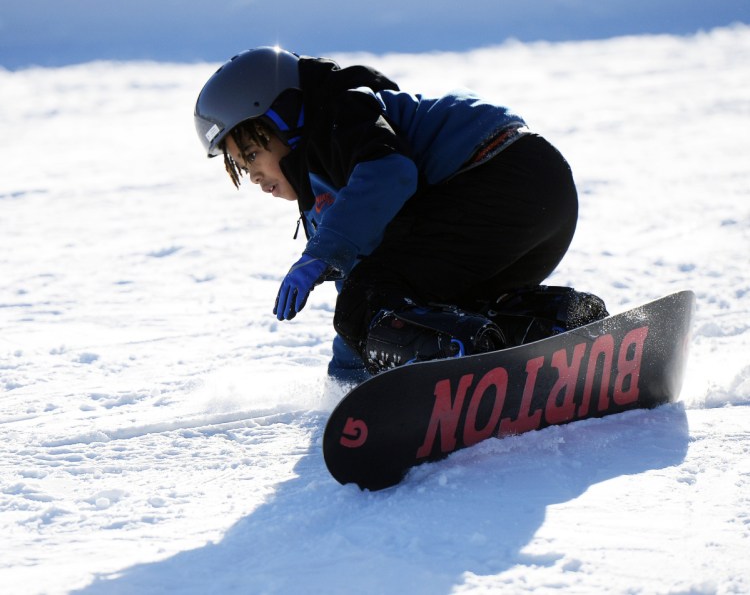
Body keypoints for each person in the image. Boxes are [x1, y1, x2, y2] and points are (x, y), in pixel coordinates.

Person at [194, 47, 607, 384]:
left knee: (370, 295)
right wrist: (348, 384)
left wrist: (323, 254)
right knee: (417, 299)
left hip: (497, 176)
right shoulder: (327, 179)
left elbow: (390, 172)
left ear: (286, 117)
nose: (254, 176)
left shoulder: (340, 117)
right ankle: (560, 327)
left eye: (252, 154)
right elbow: (365, 279)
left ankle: (458, 362)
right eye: (242, 167)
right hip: (541, 197)